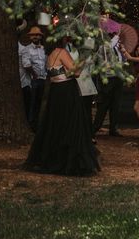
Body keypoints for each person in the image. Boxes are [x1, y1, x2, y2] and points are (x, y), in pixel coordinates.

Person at [24, 39, 100, 176]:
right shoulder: (62, 52)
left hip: (56, 92)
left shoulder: (51, 54)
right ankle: (69, 160)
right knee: (71, 123)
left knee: (56, 124)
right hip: (66, 92)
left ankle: (55, 156)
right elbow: (75, 73)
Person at [92, 32, 125, 137]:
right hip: (108, 79)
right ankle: (95, 128)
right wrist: (117, 36)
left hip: (118, 78)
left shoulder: (117, 48)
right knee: (103, 105)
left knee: (116, 105)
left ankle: (113, 129)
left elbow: (122, 61)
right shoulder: (104, 47)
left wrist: (123, 53)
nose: (118, 39)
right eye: (115, 36)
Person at [64, 38, 98, 127]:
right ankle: (88, 135)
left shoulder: (70, 53)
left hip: (78, 85)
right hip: (84, 85)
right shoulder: (88, 55)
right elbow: (92, 70)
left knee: (78, 111)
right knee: (86, 112)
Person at [22, 26, 47, 130]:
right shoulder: (26, 49)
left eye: (37, 35)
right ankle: (31, 125)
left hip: (44, 79)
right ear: (30, 37)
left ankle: (39, 125)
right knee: (32, 102)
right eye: (33, 35)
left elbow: (47, 62)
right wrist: (35, 75)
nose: (35, 36)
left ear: (40, 37)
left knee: (41, 103)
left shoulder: (44, 49)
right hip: (33, 80)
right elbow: (26, 64)